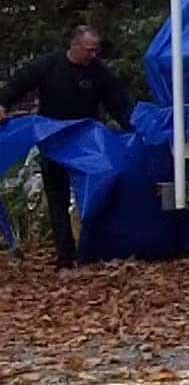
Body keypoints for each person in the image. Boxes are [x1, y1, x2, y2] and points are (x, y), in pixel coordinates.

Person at [0, 26, 134, 268]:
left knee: (97, 192)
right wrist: (2, 104)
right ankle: (65, 255)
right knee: (57, 198)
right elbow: (20, 82)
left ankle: (92, 248)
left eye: (96, 51)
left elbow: (117, 102)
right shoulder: (50, 65)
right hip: (54, 140)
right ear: (74, 46)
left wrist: (134, 129)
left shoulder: (98, 72)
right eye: (89, 50)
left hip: (86, 144)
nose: (93, 55)